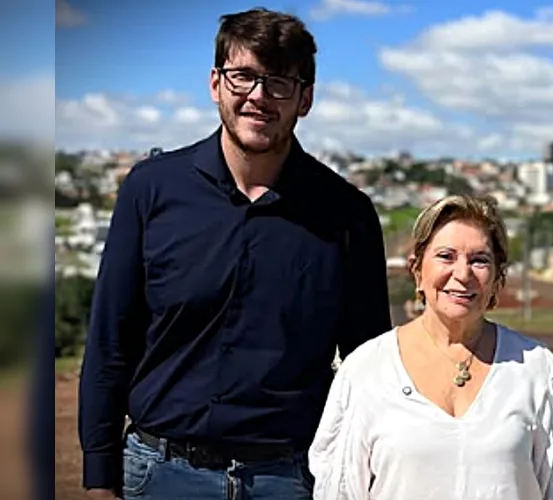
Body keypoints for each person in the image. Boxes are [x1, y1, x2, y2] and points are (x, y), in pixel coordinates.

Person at [78, 8, 392, 500]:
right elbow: (109, 342)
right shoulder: (150, 190)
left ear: (304, 99)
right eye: (243, 76)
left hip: (290, 479)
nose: (259, 97)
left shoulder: (347, 214)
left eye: (279, 83)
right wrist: (99, 480)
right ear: (215, 84)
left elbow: (367, 364)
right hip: (160, 475)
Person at [308, 194, 553, 499]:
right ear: (417, 268)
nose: (463, 274)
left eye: (479, 260)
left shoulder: (536, 369)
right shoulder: (366, 370)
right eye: (446, 256)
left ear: (498, 277)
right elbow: (339, 491)